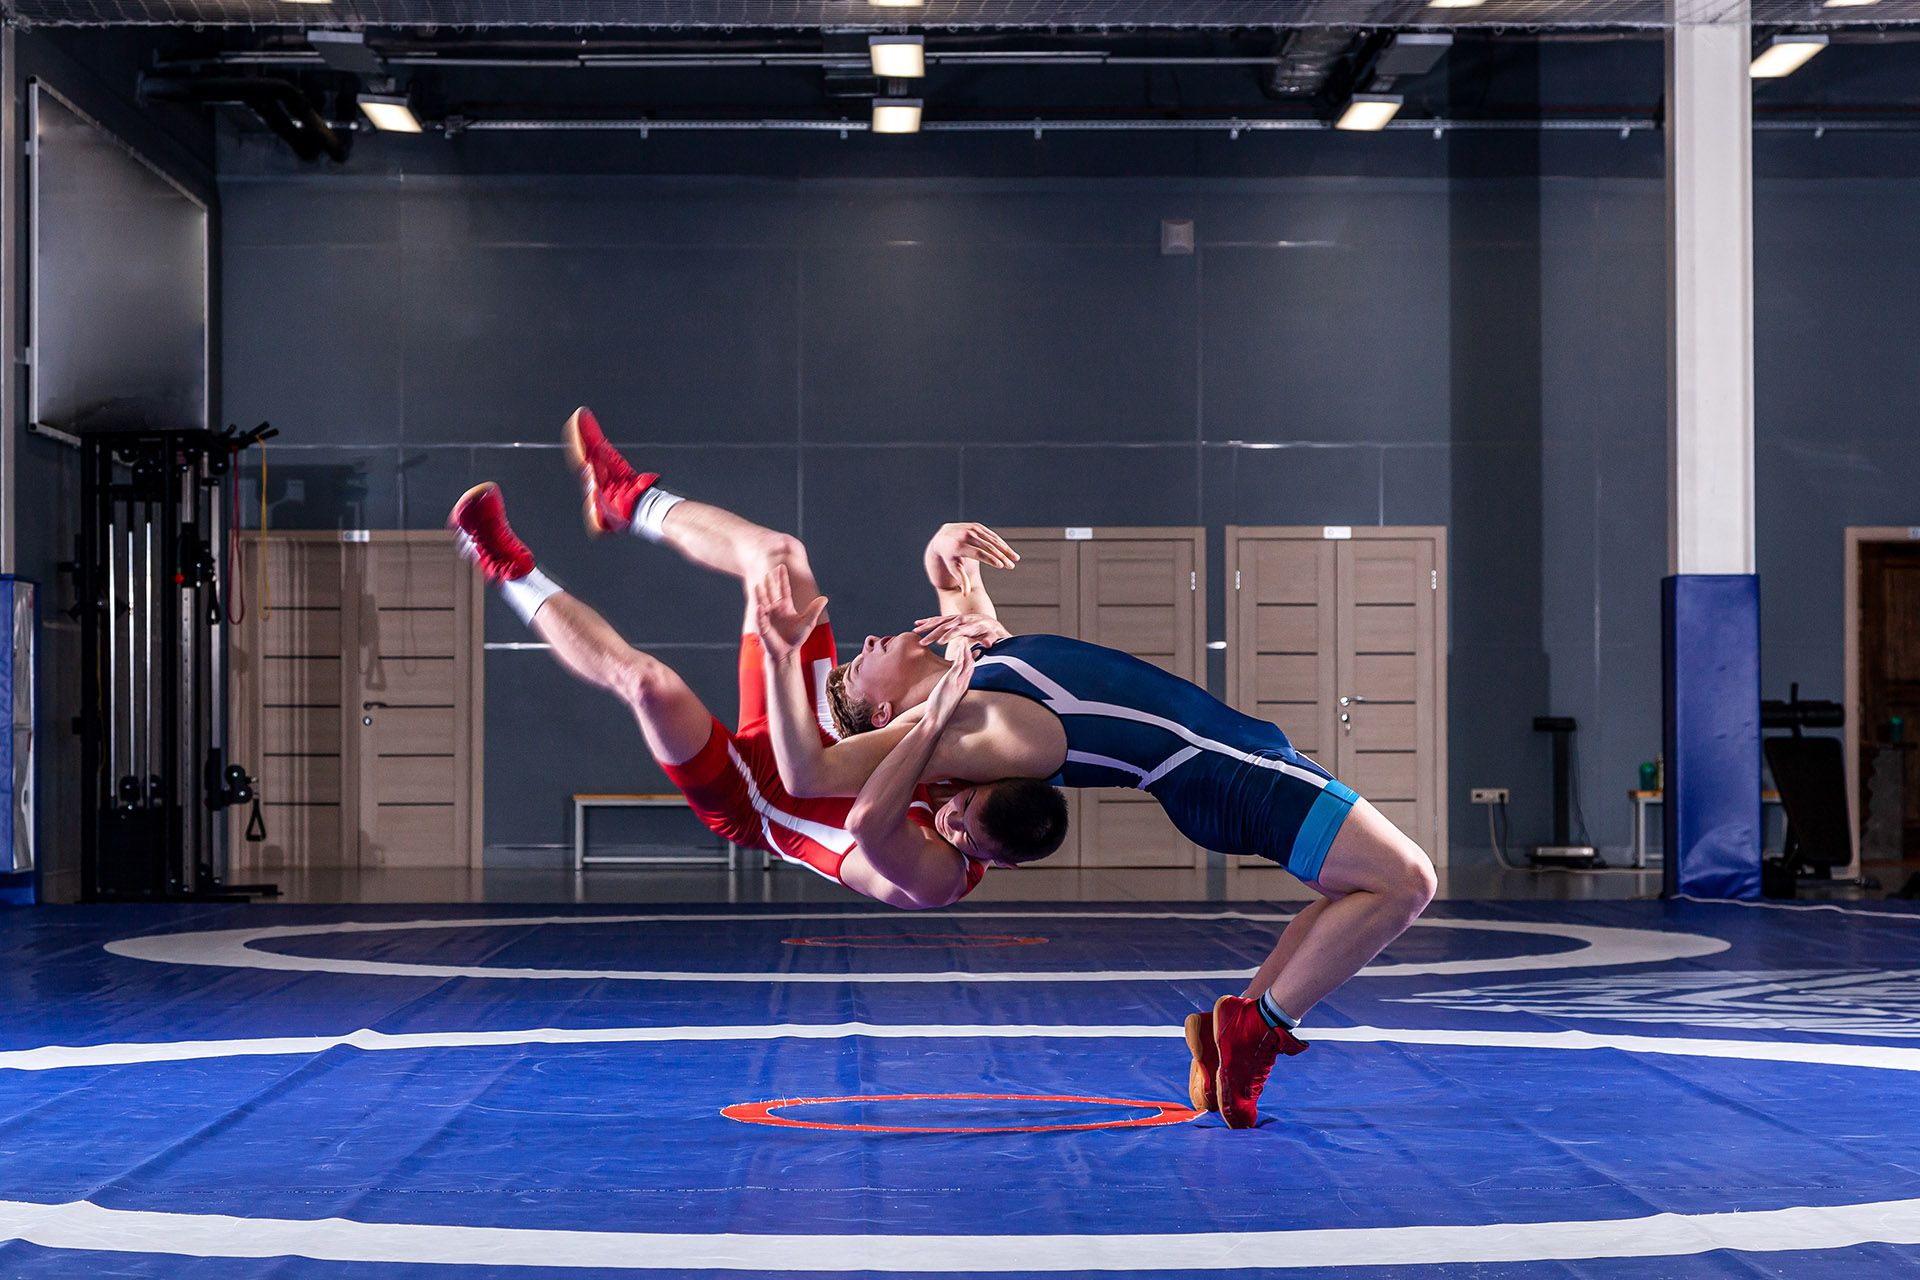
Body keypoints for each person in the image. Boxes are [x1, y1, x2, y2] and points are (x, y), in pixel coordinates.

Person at [750, 561, 1438, 1129]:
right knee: (1407, 881)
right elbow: (808, 772)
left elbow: (1007, 646)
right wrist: (783, 658)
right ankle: (1258, 1029)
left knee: (1357, 893)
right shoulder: (962, 728)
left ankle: (1235, 1032)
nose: (866, 642)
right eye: (855, 665)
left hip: (1239, 759)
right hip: (1229, 775)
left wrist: (944, 554)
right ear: (880, 715)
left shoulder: (980, 671)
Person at [445, 407, 1067, 910]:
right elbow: (984, 652)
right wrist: (957, 571)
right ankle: (626, 498)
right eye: (964, 808)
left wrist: (926, 716)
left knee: (650, 685)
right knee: (780, 556)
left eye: (963, 832)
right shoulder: (999, 777)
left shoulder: (939, 879)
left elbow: (866, 821)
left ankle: (508, 570)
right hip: (823, 734)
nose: (952, 818)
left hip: (763, 797)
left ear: (998, 861)